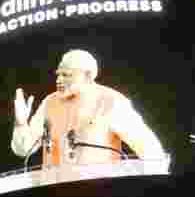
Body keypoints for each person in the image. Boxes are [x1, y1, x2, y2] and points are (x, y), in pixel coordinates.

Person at [11, 50, 166, 166]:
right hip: (54, 193)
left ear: (88, 75)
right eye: (58, 74)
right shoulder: (49, 102)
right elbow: (23, 149)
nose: (59, 80)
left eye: (67, 75)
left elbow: (150, 150)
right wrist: (21, 124)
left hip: (102, 193)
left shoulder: (111, 100)